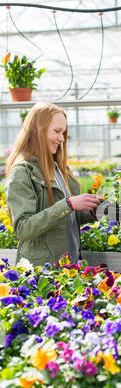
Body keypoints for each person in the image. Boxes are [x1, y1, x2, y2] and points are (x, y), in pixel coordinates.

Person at [5, 102, 101, 267]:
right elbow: (23, 228)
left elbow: (66, 217)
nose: (61, 139)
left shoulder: (58, 168)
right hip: (41, 270)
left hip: (69, 266)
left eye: (63, 133)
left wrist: (91, 210)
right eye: (57, 131)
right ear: (38, 130)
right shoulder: (23, 172)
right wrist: (68, 204)